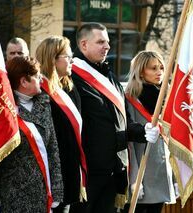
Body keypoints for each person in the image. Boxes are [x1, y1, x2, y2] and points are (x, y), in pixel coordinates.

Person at [69, 22, 159, 213]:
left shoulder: (110, 76)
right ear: (84, 44)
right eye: (101, 42)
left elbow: (124, 121)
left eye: (108, 42)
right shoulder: (71, 78)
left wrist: (143, 131)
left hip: (115, 170)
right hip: (88, 173)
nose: (107, 46)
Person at [0, 56, 63, 213]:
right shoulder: (1, 109)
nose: (41, 80)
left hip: (41, 195)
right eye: (37, 76)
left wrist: (57, 190)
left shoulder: (43, 104)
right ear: (24, 82)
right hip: (10, 198)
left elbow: (53, 149)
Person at [35, 35, 87, 213]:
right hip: (52, 176)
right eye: (67, 56)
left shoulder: (70, 89)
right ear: (52, 59)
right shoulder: (40, 92)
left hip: (70, 173)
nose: (72, 60)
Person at [123, 50, 176, 213]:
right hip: (142, 174)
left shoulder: (165, 97)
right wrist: (133, 179)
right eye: (153, 68)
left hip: (161, 171)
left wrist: (174, 176)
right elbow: (129, 142)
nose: (159, 72)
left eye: (161, 67)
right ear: (140, 71)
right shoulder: (130, 98)